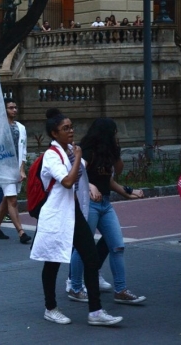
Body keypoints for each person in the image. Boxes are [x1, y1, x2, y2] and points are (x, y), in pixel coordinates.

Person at [30, 108, 123, 326]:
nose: (71, 131)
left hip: (73, 213)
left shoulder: (71, 151)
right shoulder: (52, 156)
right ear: (55, 133)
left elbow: (82, 179)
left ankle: (96, 311)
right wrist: (78, 157)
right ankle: (50, 308)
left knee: (90, 259)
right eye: (65, 128)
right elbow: (68, 181)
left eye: (71, 127)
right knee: (52, 262)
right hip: (55, 215)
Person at [68, 118, 146, 305]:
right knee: (83, 246)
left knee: (117, 245)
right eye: (114, 133)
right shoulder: (88, 152)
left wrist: (127, 192)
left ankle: (121, 290)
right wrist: (90, 186)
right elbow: (77, 175)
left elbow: (114, 175)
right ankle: (75, 287)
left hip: (105, 204)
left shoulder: (107, 153)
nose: (116, 136)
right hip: (90, 204)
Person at [0, 98, 31, 244]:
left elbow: (24, 150)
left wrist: (22, 169)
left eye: (15, 107)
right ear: (4, 110)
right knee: (12, 200)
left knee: (7, 198)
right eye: (10, 108)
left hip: (16, 167)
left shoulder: (21, 127)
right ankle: (21, 232)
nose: (14, 110)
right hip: (3, 167)